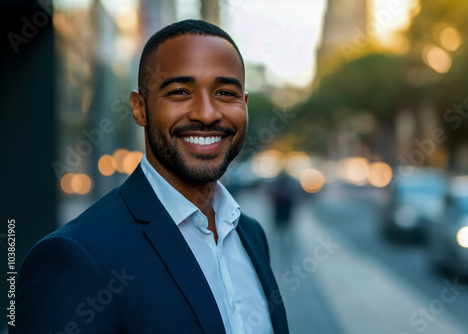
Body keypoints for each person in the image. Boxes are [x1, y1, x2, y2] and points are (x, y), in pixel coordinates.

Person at [14, 19, 289, 334]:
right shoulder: (75, 259)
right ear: (140, 108)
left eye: (225, 92)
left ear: (245, 104)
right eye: (180, 91)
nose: (207, 113)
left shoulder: (251, 235)